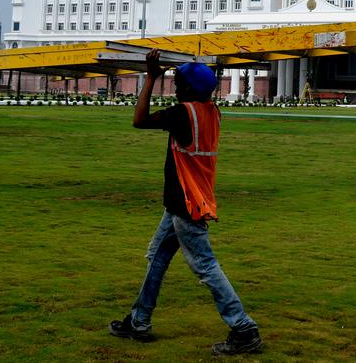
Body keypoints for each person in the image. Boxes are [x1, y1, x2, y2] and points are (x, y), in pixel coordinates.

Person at [109, 50, 262, 356]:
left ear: (191, 89)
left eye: (178, 82)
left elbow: (139, 120)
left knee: (205, 265)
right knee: (157, 257)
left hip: (186, 203)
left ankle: (243, 328)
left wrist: (151, 77)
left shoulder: (183, 113)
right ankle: (139, 321)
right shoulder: (210, 111)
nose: (175, 87)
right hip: (189, 200)